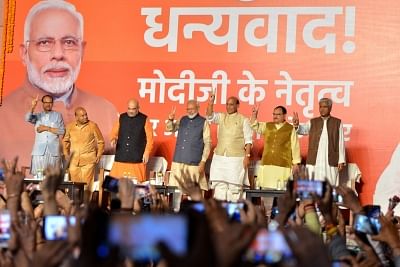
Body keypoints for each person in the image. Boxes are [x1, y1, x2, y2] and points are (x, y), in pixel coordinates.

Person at [0, 0, 118, 169]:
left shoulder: (106, 112)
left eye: (69, 42)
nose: (58, 54)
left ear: (82, 51)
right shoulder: (3, 115)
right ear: (24, 53)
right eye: (44, 43)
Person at [206, 94, 252, 202]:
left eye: (231, 104)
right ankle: (219, 215)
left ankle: (234, 216)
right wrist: (211, 102)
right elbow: (209, 116)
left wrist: (247, 157)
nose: (228, 107)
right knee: (219, 188)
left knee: (234, 189)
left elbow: (248, 141)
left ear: (237, 105)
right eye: (227, 104)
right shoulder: (222, 117)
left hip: (236, 159)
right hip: (220, 157)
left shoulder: (244, 120)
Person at [293, 98, 345, 186]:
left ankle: (328, 199)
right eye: (320, 107)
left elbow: (341, 142)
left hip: (330, 158)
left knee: (330, 184)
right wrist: (297, 125)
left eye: (325, 107)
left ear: (330, 108)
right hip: (314, 159)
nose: (322, 109)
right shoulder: (313, 121)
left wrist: (341, 160)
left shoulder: (337, 122)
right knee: (312, 183)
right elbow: (303, 130)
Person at [250, 105, 301, 189]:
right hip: (267, 164)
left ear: (284, 115)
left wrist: (296, 163)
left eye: (278, 114)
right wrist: (254, 115)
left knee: (281, 192)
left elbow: (295, 146)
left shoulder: (290, 128)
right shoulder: (267, 125)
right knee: (266, 192)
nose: (275, 116)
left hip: (283, 166)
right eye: (274, 114)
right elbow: (254, 126)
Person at [165, 100, 211, 192]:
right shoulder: (183, 119)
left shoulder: (203, 122)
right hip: (178, 160)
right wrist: (170, 120)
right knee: (175, 190)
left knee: (194, 192)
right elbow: (170, 129)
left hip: (193, 163)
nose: (190, 111)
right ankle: (176, 207)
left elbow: (208, 143)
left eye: (192, 109)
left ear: (198, 108)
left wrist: (203, 161)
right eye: (188, 109)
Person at [109, 99, 153, 182]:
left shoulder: (144, 119)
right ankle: (114, 195)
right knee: (113, 186)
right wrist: (113, 139)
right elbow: (113, 133)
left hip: (137, 159)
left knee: (138, 188)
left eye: (133, 109)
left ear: (138, 108)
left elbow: (150, 138)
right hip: (121, 157)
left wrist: (147, 152)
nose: (131, 111)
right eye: (129, 109)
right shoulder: (121, 117)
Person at [63, 107, 104, 193]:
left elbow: (101, 141)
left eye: (86, 115)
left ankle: (86, 206)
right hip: (74, 161)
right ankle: (73, 205)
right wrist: (66, 154)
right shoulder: (70, 126)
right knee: (74, 187)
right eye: (82, 116)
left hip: (88, 160)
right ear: (76, 117)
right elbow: (65, 141)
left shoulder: (93, 125)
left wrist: (99, 154)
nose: (85, 117)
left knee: (87, 187)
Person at [25, 94, 65, 176]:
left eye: (50, 102)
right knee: (38, 176)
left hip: (54, 152)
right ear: (42, 103)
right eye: (46, 102)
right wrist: (32, 107)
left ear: (53, 103)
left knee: (53, 177)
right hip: (39, 152)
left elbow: (62, 131)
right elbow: (27, 118)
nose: (48, 104)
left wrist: (47, 128)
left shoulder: (58, 115)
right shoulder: (38, 116)